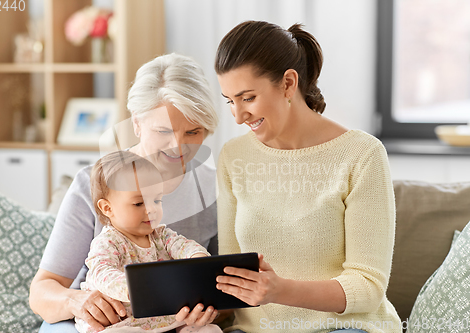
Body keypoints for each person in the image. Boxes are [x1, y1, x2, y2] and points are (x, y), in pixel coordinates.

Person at [214, 21, 402, 333]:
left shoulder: (362, 154)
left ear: (288, 83)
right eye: (230, 101)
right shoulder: (234, 157)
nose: (237, 116)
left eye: (247, 98)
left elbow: (367, 286)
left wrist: (279, 290)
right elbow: (232, 273)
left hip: (345, 329)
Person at [29, 53, 219, 333]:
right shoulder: (94, 183)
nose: (179, 148)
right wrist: (78, 301)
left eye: (193, 132)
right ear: (137, 124)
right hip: (102, 322)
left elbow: (220, 283)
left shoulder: (211, 188)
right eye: (164, 130)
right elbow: (42, 292)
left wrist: (209, 309)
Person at [74, 151, 221, 333]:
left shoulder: (162, 235)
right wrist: (133, 288)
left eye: (156, 200)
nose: (151, 209)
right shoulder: (107, 242)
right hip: (120, 323)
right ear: (107, 208)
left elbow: (184, 246)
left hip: (163, 320)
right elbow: (101, 272)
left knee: (208, 330)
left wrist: (197, 258)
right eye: (138, 203)